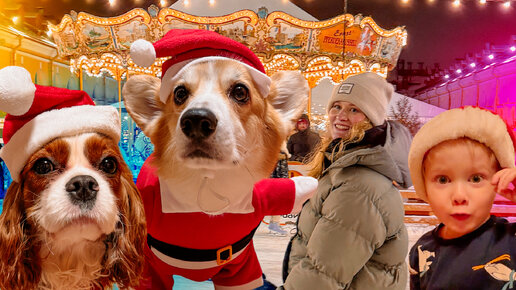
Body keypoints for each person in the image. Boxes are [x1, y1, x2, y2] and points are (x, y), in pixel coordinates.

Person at [281, 72, 412, 289]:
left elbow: (323, 274)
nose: (341, 116)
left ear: (371, 119)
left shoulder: (359, 187)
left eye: (354, 109)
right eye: (337, 106)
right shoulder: (345, 167)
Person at [408, 106, 516, 289]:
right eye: (443, 179)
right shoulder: (422, 251)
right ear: (424, 186)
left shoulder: (510, 240)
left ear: (499, 178)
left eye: (475, 178)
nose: (459, 196)